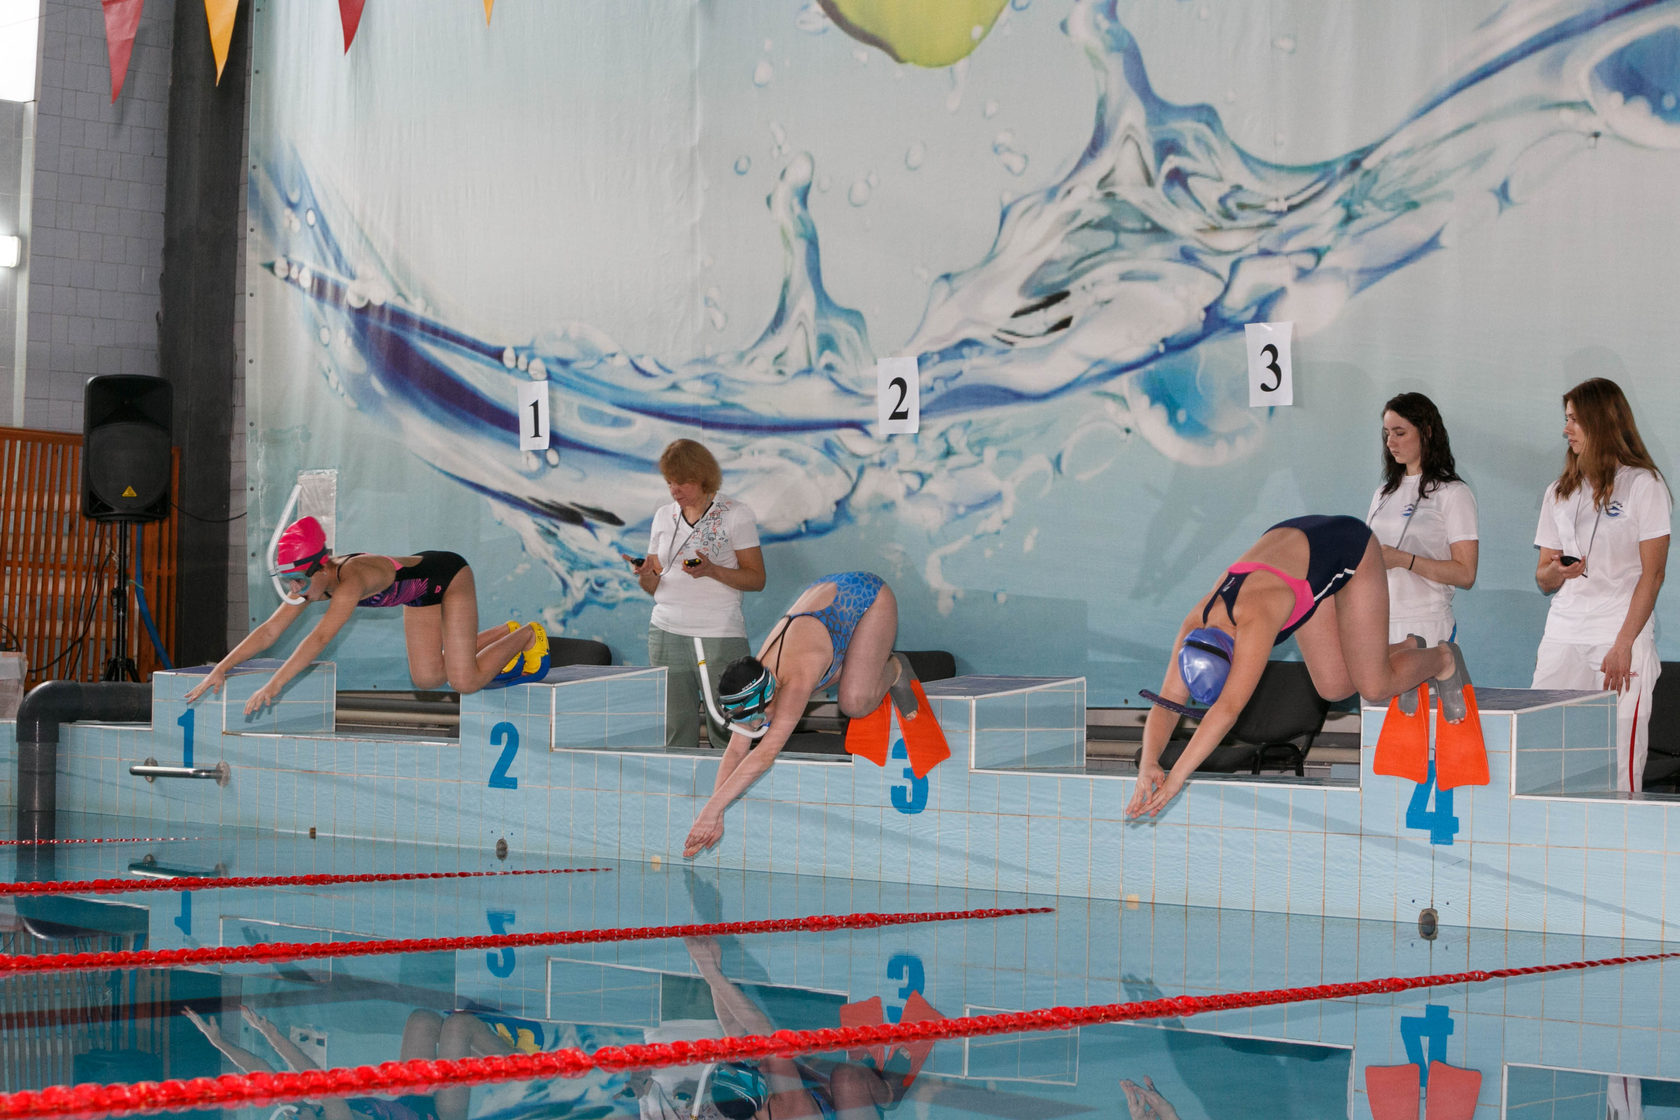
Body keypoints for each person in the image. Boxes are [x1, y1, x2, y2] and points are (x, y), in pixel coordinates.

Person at [1125, 515, 1466, 819]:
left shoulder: (1256, 619)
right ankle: (1403, 648)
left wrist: (1176, 779)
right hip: (1297, 556)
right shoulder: (1195, 624)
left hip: (1348, 545)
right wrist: (1149, 764)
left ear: (1236, 656)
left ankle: (1442, 657)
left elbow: (1227, 709)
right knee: (1333, 687)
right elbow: (1169, 699)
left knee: (1374, 685)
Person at [185, 517, 546, 714]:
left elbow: (321, 638)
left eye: (297, 580)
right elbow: (268, 632)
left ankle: (528, 634)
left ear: (320, 567)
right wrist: (221, 668)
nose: (293, 589)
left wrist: (274, 684)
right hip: (419, 595)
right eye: (287, 581)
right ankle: (503, 633)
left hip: (448, 577)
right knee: (428, 678)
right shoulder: (315, 583)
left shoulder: (349, 579)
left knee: (464, 681)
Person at [683, 572, 917, 858]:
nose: (759, 726)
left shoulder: (794, 682)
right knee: (833, 671)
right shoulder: (755, 679)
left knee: (854, 702)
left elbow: (765, 754)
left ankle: (893, 665)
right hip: (825, 607)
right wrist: (715, 813)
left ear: (770, 698)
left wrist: (711, 811)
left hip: (867, 596)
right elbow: (735, 752)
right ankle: (861, 665)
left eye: (759, 719)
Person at [1532, 377, 1671, 792]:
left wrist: (1624, 642)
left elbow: (1654, 574)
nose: (1566, 428)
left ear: (1600, 421)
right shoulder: (1559, 490)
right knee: (1545, 746)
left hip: (1617, 635)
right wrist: (1557, 572)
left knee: (1619, 757)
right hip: (1563, 632)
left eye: (1574, 419)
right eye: (1566, 419)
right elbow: (1542, 576)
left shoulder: (1644, 485)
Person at [626, 440, 766, 750]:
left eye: (681, 481)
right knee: (675, 725)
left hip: (718, 633)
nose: (674, 490)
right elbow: (655, 586)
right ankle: (681, 794)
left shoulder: (735, 514)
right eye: (669, 482)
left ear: (703, 476)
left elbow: (757, 579)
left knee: (727, 725)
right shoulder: (663, 516)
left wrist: (713, 570)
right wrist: (646, 574)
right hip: (665, 631)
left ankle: (730, 791)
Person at [184, 1005, 513, 1120]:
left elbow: (260, 1072)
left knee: (423, 1021)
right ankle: (535, 1064)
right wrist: (270, 1033)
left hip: (411, 1102)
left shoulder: (304, 1112)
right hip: (439, 1116)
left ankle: (491, 1046)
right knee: (458, 1025)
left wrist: (219, 1042)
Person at [1366, 392, 1478, 644]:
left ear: (1426, 432)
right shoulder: (1382, 494)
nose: (1390, 442)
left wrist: (1403, 560)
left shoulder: (1453, 493)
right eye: (1387, 433)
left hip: (1426, 624)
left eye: (1400, 433)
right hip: (1379, 622)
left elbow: (1466, 574)